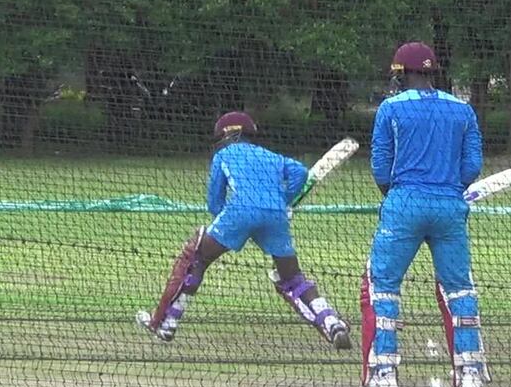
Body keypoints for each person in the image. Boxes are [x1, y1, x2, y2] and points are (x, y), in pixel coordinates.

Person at [136, 111, 351, 350]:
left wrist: (232, 227)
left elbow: (214, 202)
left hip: (238, 212)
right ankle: (332, 323)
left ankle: (164, 324)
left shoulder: (223, 155)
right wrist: (284, 200)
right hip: (276, 215)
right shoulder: (271, 156)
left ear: (225, 136)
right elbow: (300, 172)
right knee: (292, 278)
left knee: (196, 258)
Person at [359, 42, 489, 387]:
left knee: (383, 287)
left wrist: (395, 195)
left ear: (404, 74)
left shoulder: (390, 109)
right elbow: (472, 166)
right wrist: (450, 188)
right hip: (450, 206)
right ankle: (471, 372)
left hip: (404, 203)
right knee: (459, 288)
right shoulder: (462, 110)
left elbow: (380, 166)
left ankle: (384, 374)